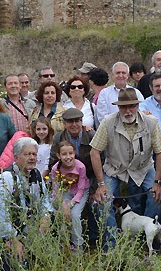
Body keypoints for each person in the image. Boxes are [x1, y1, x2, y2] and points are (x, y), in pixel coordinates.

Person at [90, 88, 161, 219]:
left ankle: (146, 232)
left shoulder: (151, 122)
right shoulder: (108, 122)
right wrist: (101, 184)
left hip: (143, 168)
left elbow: (160, 151)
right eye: (123, 107)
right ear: (118, 107)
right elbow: (94, 152)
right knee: (102, 201)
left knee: (156, 196)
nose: (127, 111)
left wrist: (157, 181)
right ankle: (111, 238)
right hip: (115, 168)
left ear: (137, 106)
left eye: (131, 106)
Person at [49, 107, 114, 250]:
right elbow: (53, 163)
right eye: (70, 121)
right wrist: (62, 183)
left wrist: (95, 187)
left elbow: (101, 161)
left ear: (82, 121)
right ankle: (63, 243)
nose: (74, 125)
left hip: (90, 176)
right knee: (59, 210)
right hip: (67, 181)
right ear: (64, 123)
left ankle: (94, 239)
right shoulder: (58, 138)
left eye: (77, 121)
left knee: (96, 203)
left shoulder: (90, 135)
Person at [0, 138, 53, 269]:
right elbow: (0, 215)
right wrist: (13, 240)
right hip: (9, 236)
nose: (32, 158)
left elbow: (45, 201)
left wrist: (46, 217)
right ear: (16, 157)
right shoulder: (5, 178)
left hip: (30, 233)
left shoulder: (36, 174)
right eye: (27, 154)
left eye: (34, 154)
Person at [51, 141, 90, 250]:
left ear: (74, 154)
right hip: (65, 191)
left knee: (74, 215)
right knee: (60, 213)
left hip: (80, 192)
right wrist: (63, 205)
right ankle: (65, 243)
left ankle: (78, 244)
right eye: (64, 154)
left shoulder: (80, 167)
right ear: (58, 155)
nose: (68, 157)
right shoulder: (55, 169)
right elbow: (56, 189)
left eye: (71, 153)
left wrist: (70, 205)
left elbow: (81, 189)